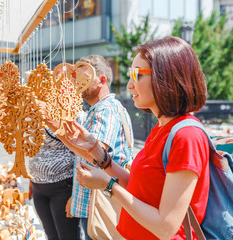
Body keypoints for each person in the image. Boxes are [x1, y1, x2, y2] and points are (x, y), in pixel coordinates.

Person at [62, 36, 210, 239]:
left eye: (136, 75)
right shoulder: (162, 128)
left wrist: (108, 185)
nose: (130, 85)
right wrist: (97, 151)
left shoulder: (187, 135)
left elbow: (166, 228)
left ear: (165, 76)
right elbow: (141, 188)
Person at [45, 55, 134, 239]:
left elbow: (95, 155)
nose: (79, 83)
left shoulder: (106, 108)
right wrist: (75, 198)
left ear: (102, 80)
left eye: (85, 78)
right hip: (92, 203)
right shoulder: (99, 109)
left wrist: (54, 124)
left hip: (100, 203)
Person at [28, 112, 86, 240]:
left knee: (67, 237)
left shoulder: (73, 111)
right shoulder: (36, 109)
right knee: (51, 236)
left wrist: (76, 193)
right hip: (38, 186)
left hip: (63, 187)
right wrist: (31, 177)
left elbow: (83, 155)